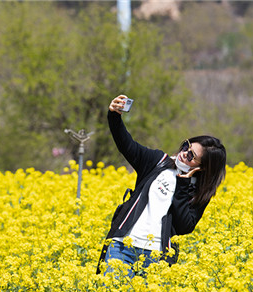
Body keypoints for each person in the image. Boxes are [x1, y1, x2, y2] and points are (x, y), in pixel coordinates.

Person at [97, 94, 227, 278]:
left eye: (191, 156)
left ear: (202, 167)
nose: (184, 154)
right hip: (121, 246)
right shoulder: (157, 162)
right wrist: (114, 116)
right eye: (186, 147)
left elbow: (184, 227)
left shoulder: (198, 190)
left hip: (156, 256)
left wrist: (182, 183)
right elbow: (126, 144)